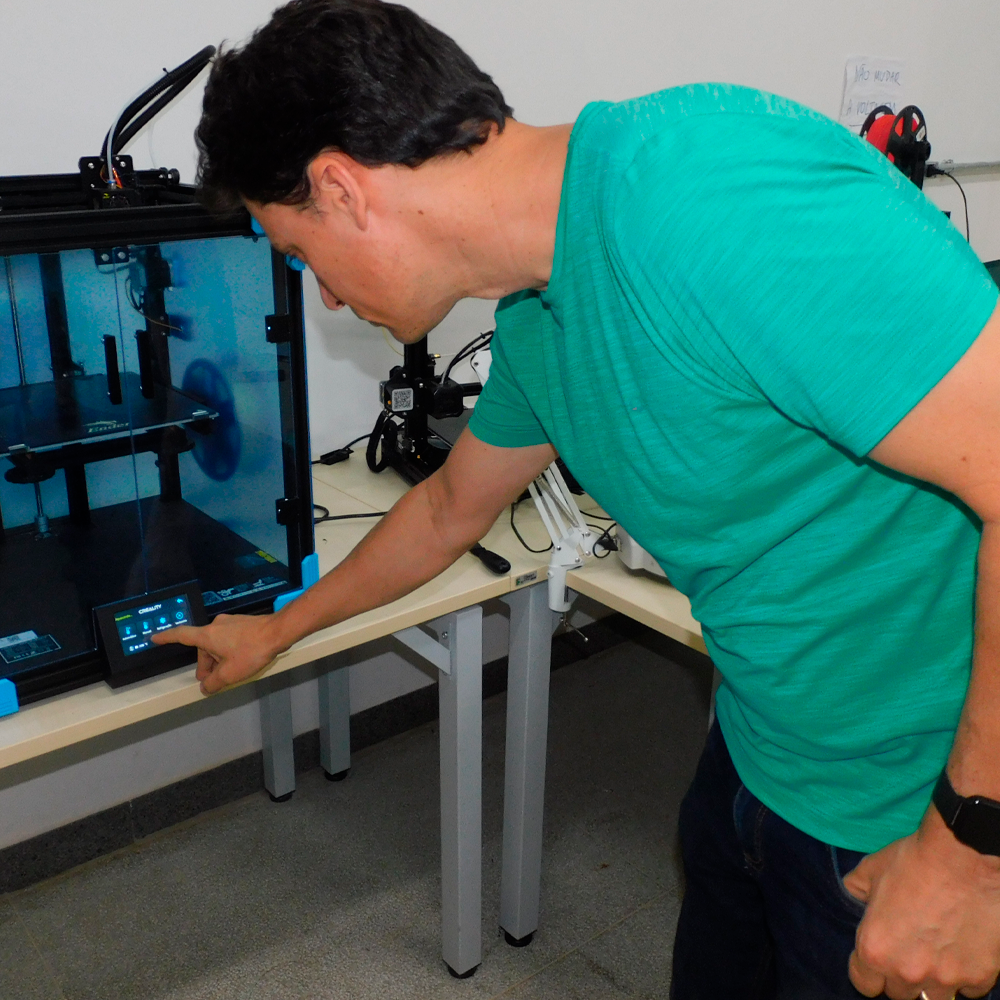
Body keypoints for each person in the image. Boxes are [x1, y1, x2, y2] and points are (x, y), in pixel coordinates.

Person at [154, 1, 1000, 996]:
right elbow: (447, 510)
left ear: (341, 187)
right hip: (762, 754)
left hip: (913, 813)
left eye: (298, 254)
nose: (326, 295)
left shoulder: (710, 196)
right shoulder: (539, 317)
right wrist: (278, 629)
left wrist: (969, 854)